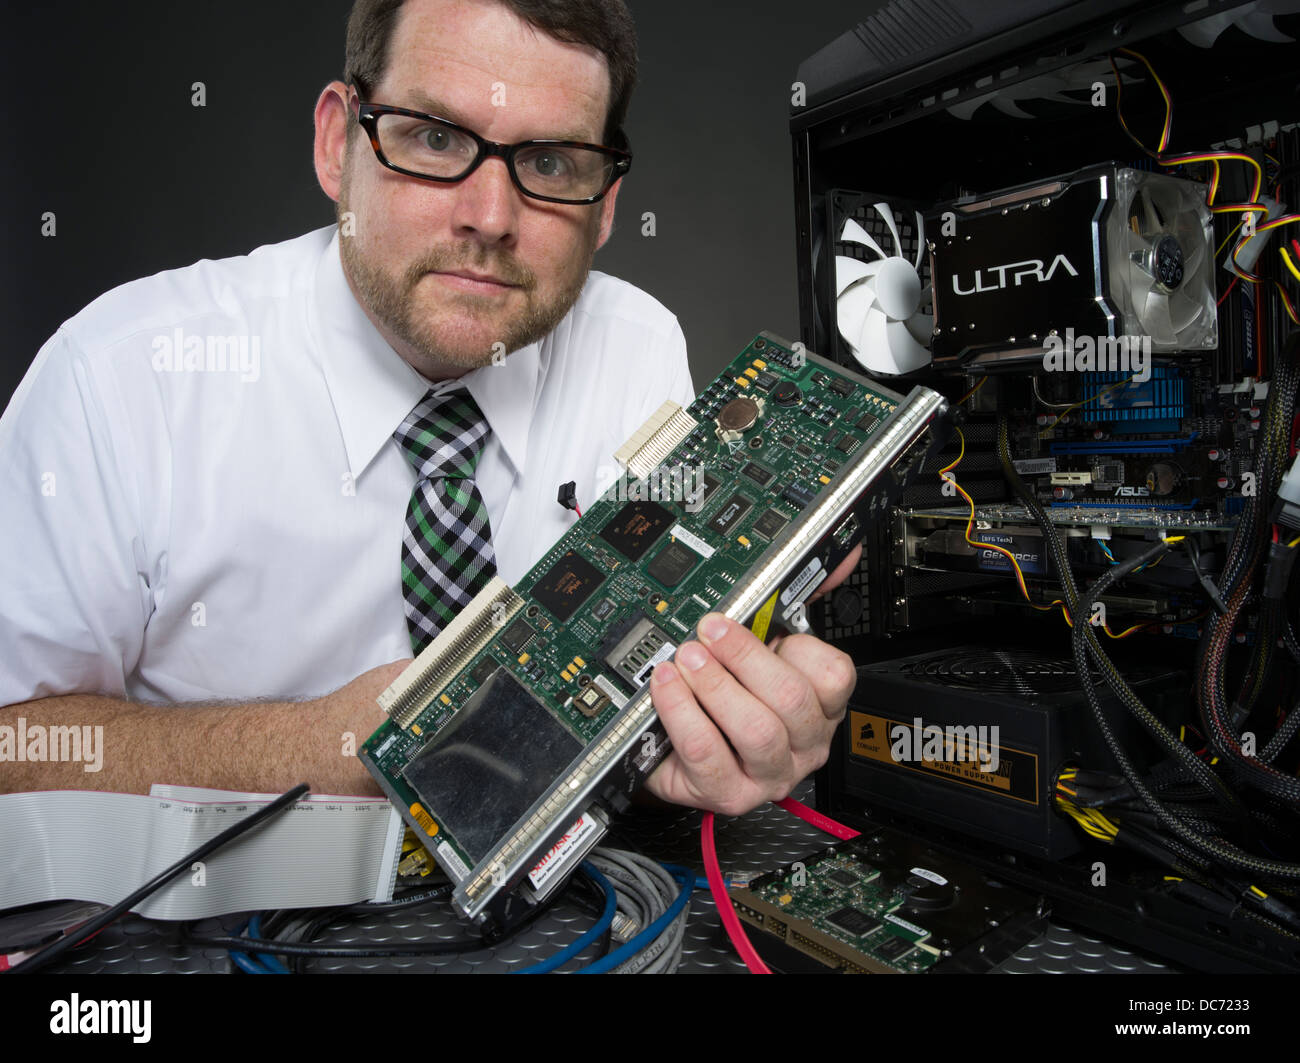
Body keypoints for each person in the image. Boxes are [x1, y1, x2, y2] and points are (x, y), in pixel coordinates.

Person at [0, 0, 857, 817]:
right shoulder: (120, 377)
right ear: (339, 143)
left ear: (605, 208)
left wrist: (715, 724)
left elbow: (657, 673)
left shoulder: (635, 351)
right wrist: (319, 746)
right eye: (436, 138)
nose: (490, 217)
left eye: (552, 163)